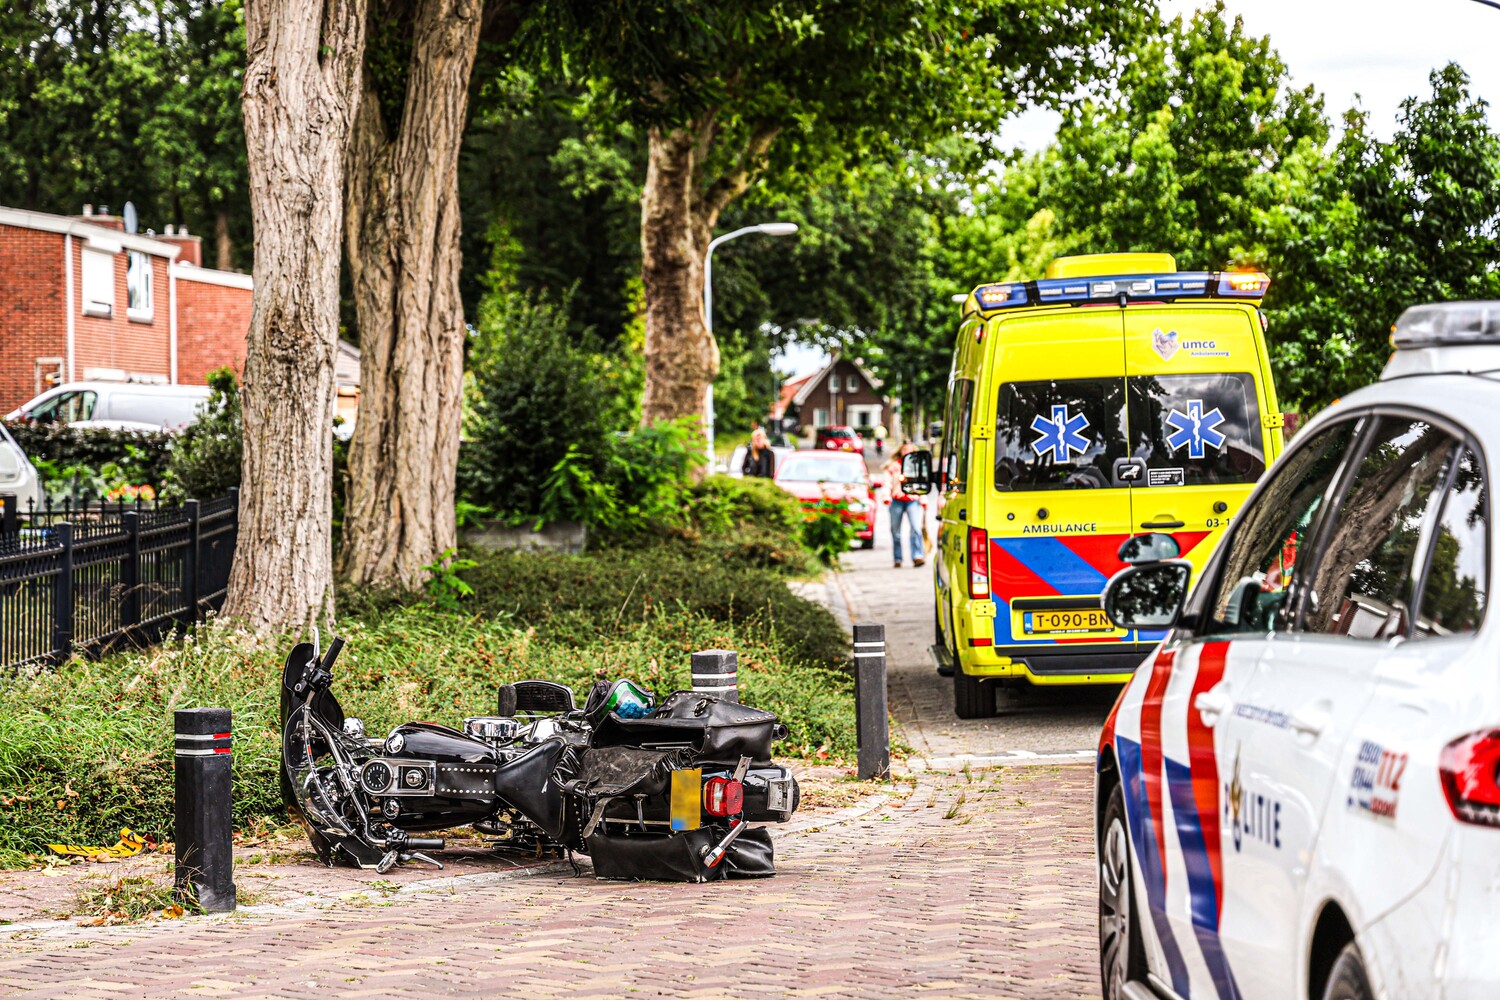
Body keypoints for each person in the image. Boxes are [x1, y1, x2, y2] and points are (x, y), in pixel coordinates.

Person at [883, 442, 924, 568]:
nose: (907, 452)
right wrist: (886, 496)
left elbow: (922, 483)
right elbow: (886, 483)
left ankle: (917, 555)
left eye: (909, 450)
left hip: (912, 499)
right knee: (895, 531)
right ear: (901, 451)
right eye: (904, 449)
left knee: (916, 528)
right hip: (897, 500)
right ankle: (898, 558)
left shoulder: (917, 467)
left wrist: (923, 499)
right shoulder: (893, 467)